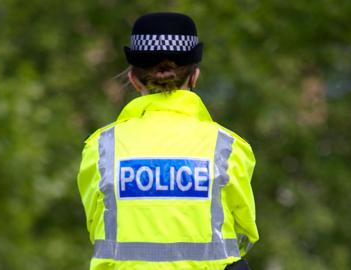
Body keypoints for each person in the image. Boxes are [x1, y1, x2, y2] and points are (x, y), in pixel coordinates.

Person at [77, 12, 259, 270]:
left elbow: (97, 226)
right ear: (194, 76)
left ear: (133, 78)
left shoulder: (100, 148)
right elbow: (243, 234)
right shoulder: (228, 147)